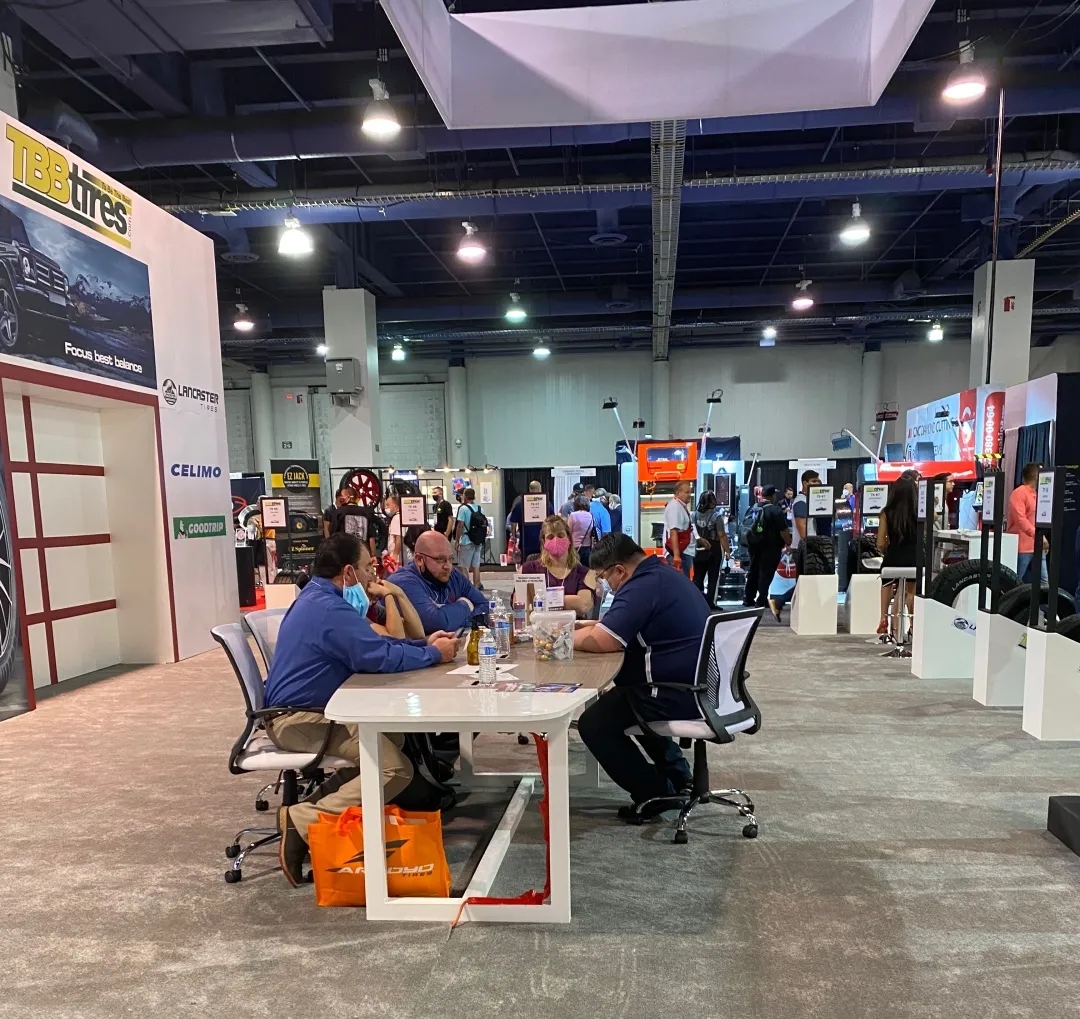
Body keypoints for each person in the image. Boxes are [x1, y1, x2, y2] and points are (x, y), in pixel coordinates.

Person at [262, 534, 459, 884]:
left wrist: (422, 645)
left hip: (312, 709)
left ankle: (302, 812)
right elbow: (377, 657)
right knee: (394, 769)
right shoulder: (329, 609)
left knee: (393, 740)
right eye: (368, 567)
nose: (372, 575)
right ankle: (303, 821)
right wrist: (432, 654)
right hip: (298, 718)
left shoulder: (321, 599)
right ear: (348, 572)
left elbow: (375, 644)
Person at [573, 533, 704, 816]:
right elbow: (616, 624)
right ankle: (677, 774)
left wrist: (561, 638)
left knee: (594, 723)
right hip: (697, 685)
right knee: (625, 697)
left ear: (620, 570)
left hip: (671, 691)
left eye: (603, 577)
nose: (604, 584)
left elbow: (604, 640)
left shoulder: (641, 587)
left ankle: (654, 793)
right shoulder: (662, 574)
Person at [392, 530, 490, 633]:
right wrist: (466, 605)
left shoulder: (453, 575)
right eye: (440, 559)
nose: (448, 566)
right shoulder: (404, 582)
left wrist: (454, 619)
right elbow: (436, 623)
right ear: (419, 559)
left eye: (450, 559)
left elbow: (485, 606)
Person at [520, 515, 597, 617]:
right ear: (544, 542)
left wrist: (540, 599)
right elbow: (519, 603)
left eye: (560, 535)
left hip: (573, 626)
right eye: (550, 537)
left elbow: (583, 605)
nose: (556, 540)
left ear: (569, 539)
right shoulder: (528, 569)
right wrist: (568, 601)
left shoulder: (585, 573)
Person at [877, 478, 918, 634]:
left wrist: (885, 552)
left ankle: (883, 617)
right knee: (911, 592)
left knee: (886, 583)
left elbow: (881, 542)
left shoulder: (886, 512)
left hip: (893, 556)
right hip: (914, 558)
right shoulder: (919, 512)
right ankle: (913, 625)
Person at [743, 486, 790, 612]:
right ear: (772, 496)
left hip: (753, 545)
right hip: (771, 547)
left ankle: (748, 598)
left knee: (753, 570)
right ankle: (761, 600)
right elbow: (783, 530)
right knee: (766, 573)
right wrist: (788, 542)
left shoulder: (753, 508)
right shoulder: (775, 510)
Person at [1008, 463, 1046, 584]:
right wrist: (1038, 535)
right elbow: (1021, 519)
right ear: (1036, 475)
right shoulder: (1019, 493)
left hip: (1037, 545)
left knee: (1044, 582)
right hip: (1022, 547)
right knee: (1015, 582)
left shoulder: (1038, 494)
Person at [692, 490, 730, 606]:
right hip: (714, 549)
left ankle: (698, 602)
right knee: (713, 577)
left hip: (698, 548)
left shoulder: (694, 515)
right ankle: (710, 603)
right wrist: (727, 551)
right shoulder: (716, 516)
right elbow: (722, 535)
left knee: (698, 576)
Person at [508, 480, 550, 561]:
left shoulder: (520, 503)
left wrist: (513, 535)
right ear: (540, 489)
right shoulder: (546, 502)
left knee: (526, 562)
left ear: (530, 489)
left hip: (525, 541)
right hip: (543, 540)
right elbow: (552, 519)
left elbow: (513, 521)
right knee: (543, 563)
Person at [454, 487, 485, 589]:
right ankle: (476, 586)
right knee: (476, 566)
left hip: (466, 540)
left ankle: (466, 588)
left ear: (465, 496)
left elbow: (460, 525)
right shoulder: (480, 508)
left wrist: (457, 541)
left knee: (464, 567)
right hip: (478, 541)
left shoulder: (463, 509)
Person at [663, 480, 695, 578]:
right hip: (678, 553)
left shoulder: (681, 506)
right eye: (686, 492)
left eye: (690, 492)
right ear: (677, 493)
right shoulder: (675, 507)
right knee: (681, 582)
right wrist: (676, 555)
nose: (689, 495)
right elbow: (673, 532)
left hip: (684, 551)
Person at [791, 469, 821, 553]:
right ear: (805, 483)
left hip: (806, 547)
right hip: (803, 549)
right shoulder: (801, 501)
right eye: (814, 481)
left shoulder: (806, 500)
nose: (817, 484)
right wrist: (809, 548)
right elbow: (801, 526)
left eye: (818, 481)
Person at [568, 495, 596, 566]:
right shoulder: (591, 515)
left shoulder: (573, 515)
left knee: (575, 569)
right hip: (587, 548)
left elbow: (568, 532)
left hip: (575, 548)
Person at [385, 493, 403, 563]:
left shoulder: (396, 518)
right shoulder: (400, 517)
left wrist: (395, 556)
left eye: (388, 505)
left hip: (397, 559)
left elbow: (398, 538)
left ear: (395, 506)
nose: (385, 507)